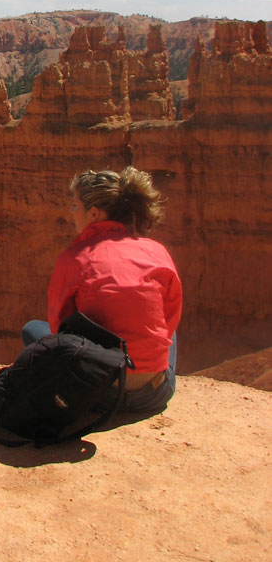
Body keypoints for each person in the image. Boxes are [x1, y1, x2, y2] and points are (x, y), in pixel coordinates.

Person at [22, 167, 182, 413]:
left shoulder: (74, 258)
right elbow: (170, 319)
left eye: (75, 206)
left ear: (93, 213)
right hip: (154, 394)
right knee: (167, 334)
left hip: (99, 393)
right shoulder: (156, 251)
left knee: (33, 330)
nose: (71, 212)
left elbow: (58, 332)